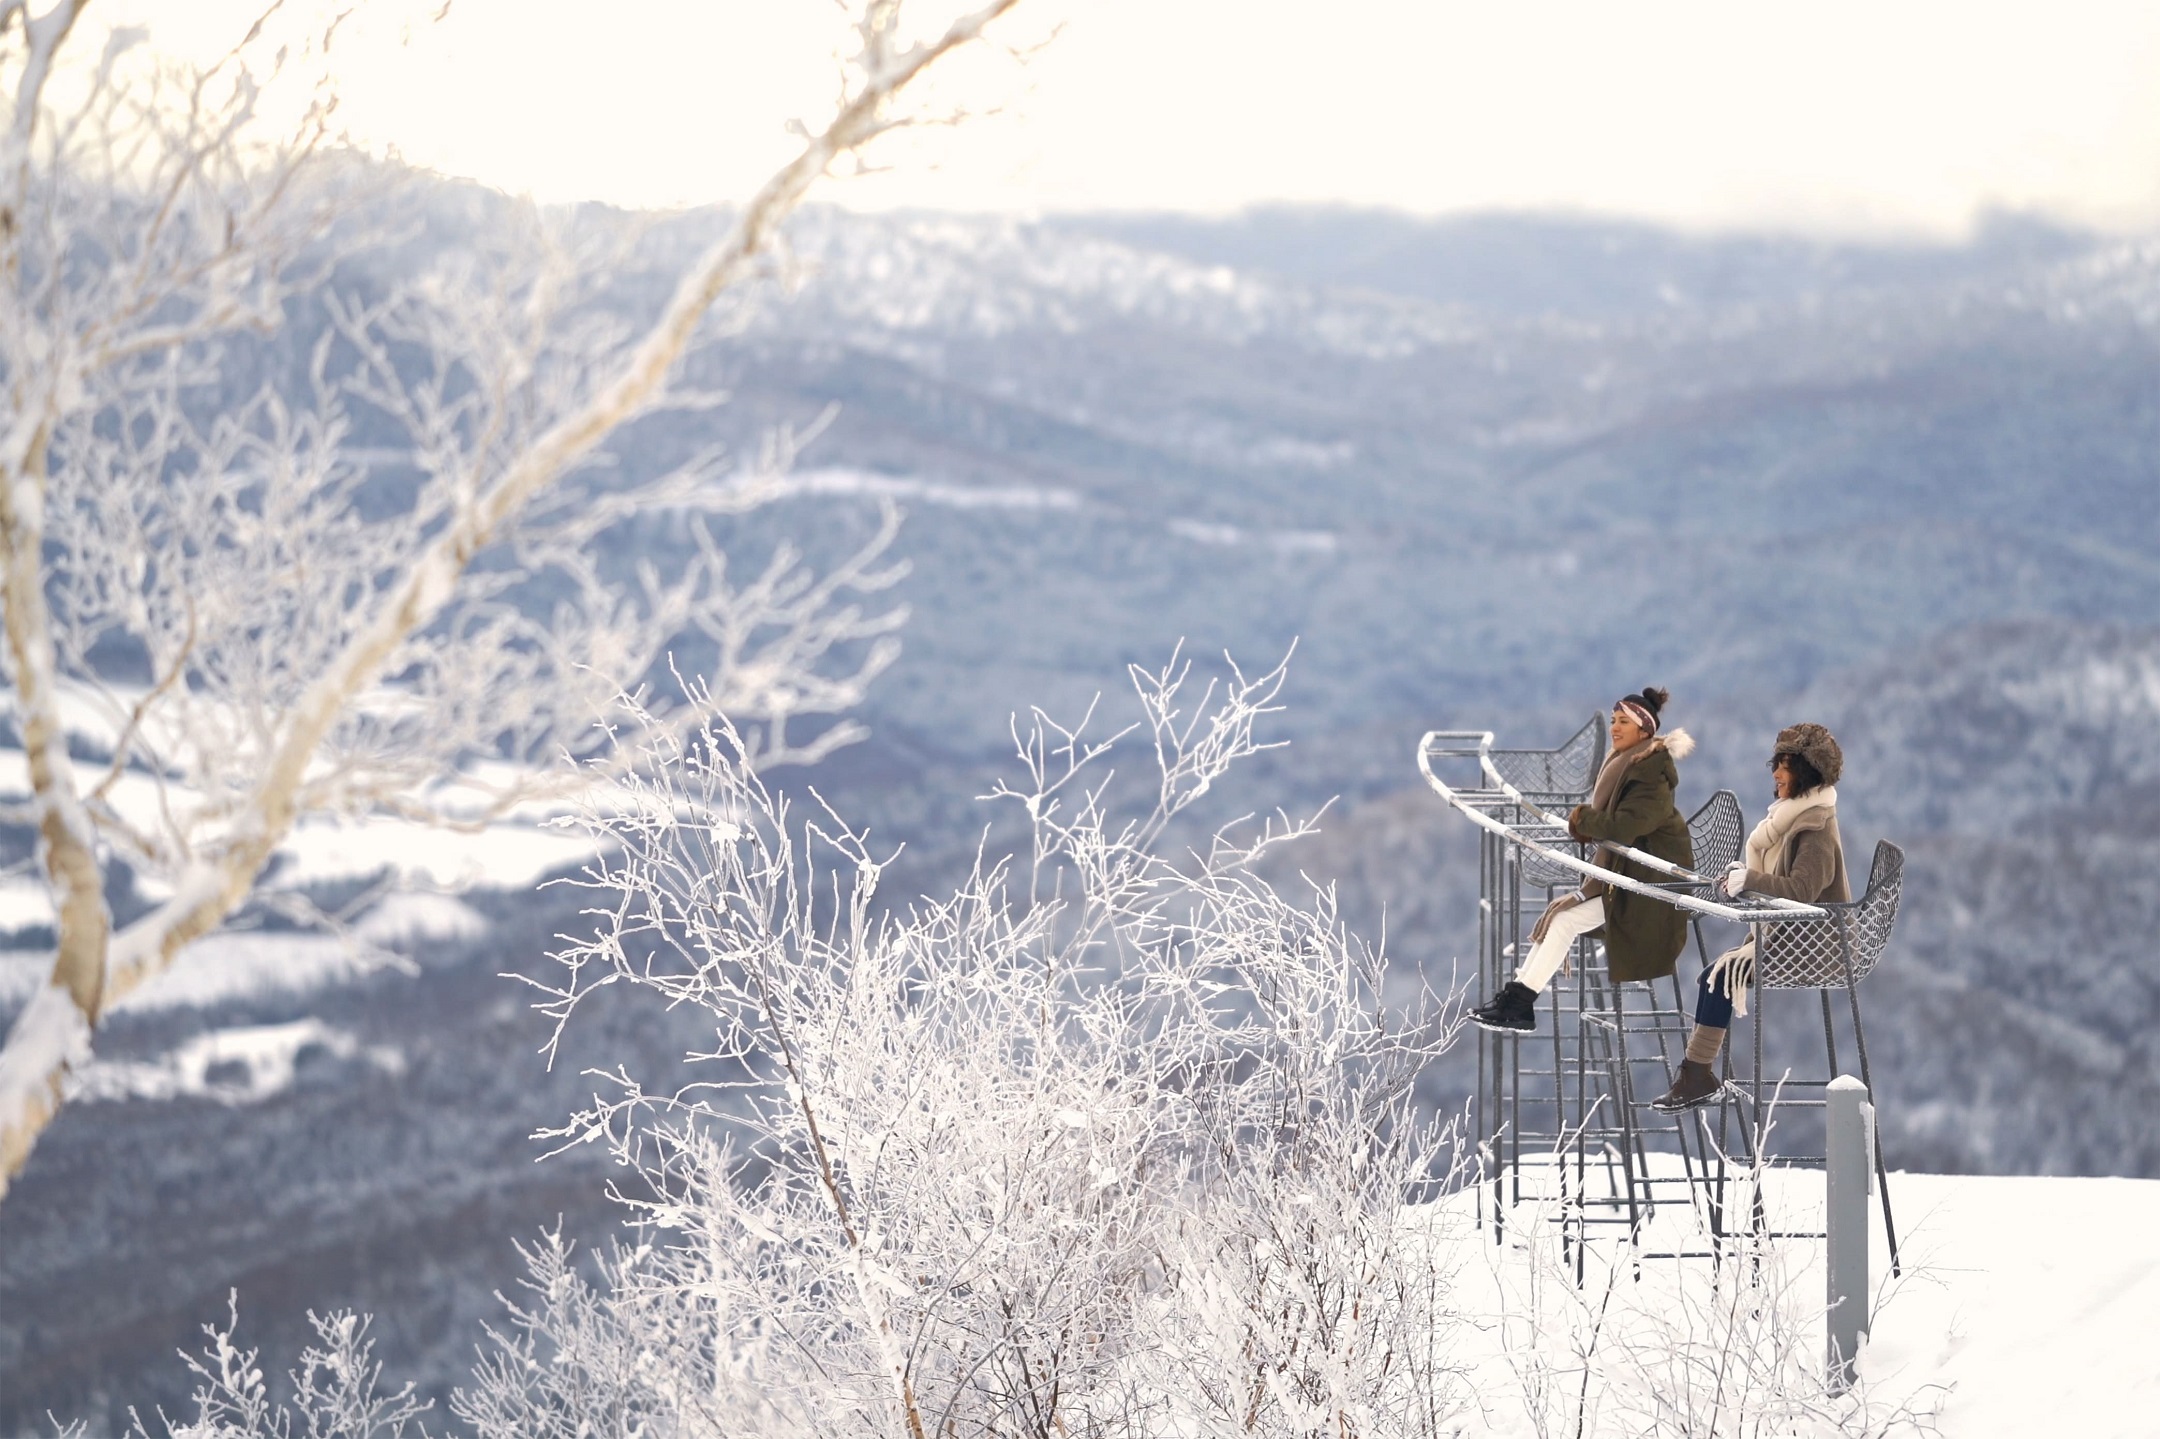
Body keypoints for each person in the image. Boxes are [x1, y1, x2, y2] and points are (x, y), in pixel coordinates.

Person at [1471, 687, 1695, 1034]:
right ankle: (1516, 1000)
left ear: (1644, 731)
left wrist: (1582, 819)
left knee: (1565, 922)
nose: (1615, 728)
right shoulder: (1628, 763)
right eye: (1614, 720)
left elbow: (1624, 827)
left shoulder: (1651, 774)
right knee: (1563, 918)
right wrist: (1585, 825)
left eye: (1624, 722)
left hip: (1649, 889)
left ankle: (1519, 1003)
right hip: (1626, 879)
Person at [1653, 722, 1848, 1112]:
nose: (1776, 773)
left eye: (1786, 765)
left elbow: (1801, 891)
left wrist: (1753, 880)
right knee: (1714, 976)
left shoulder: (1816, 828)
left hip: (1814, 947)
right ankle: (1697, 1075)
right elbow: (1781, 886)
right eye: (1776, 763)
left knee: (1720, 977)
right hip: (1792, 939)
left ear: (1807, 772)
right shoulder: (1789, 820)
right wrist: (1744, 881)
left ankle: (1697, 1077)